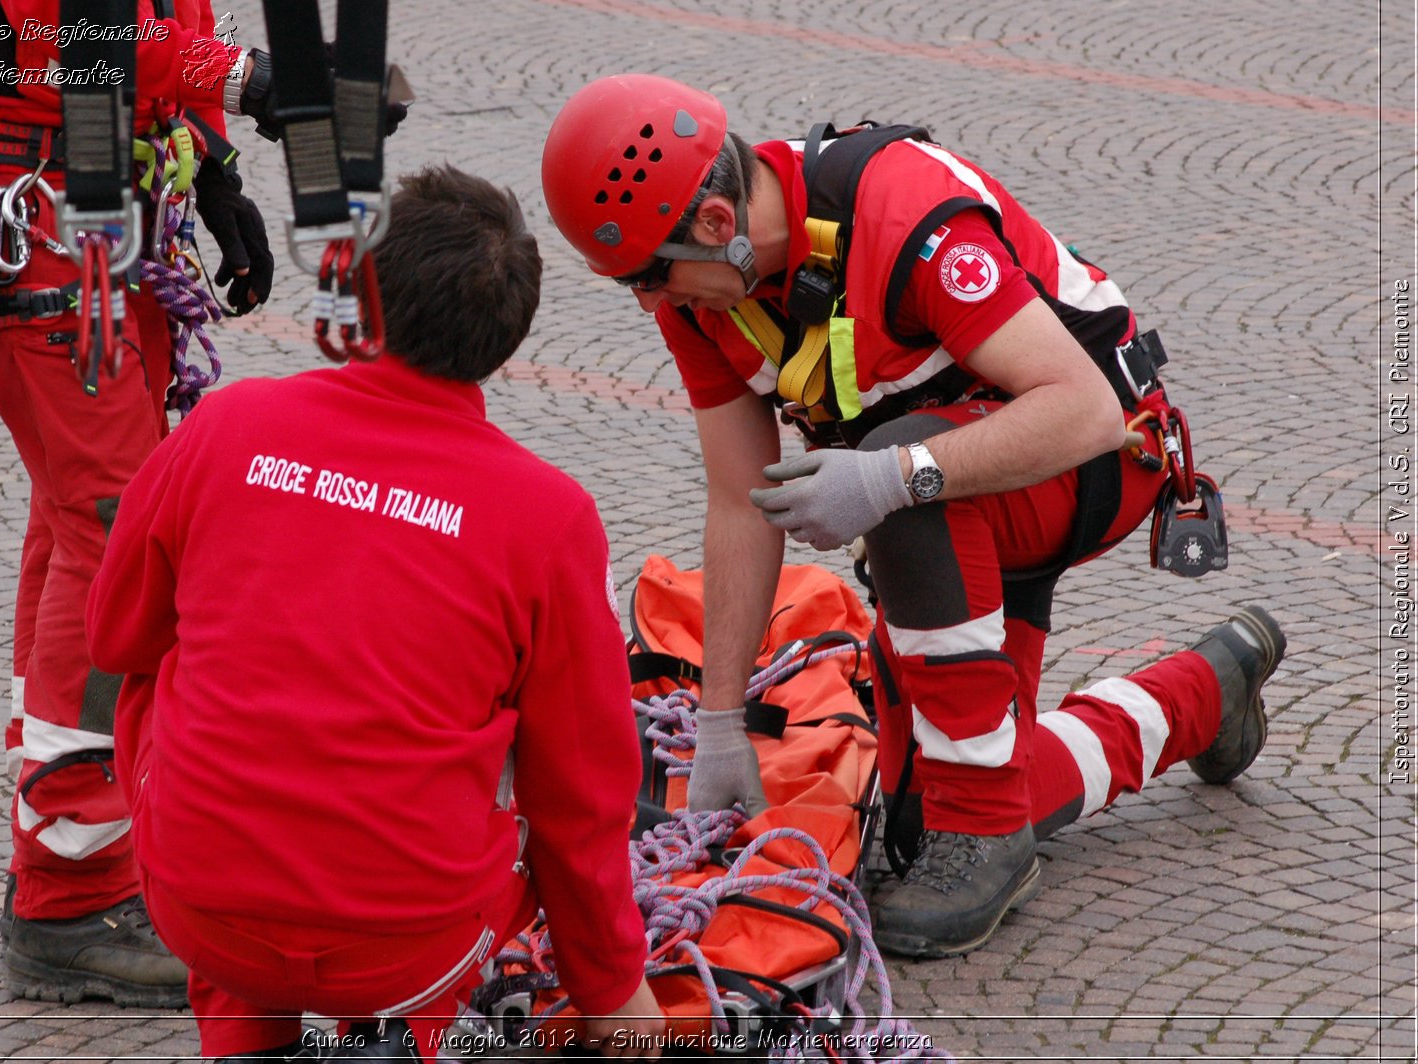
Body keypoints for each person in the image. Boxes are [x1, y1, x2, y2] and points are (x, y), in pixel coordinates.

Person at [540, 75, 1288, 960]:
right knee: (918, 822)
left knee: (897, 483)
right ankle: (1204, 695)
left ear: (712, 224)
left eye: (647, 277)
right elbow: (740, 502)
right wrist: (717, 724)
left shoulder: (903, 214)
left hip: (1091, 457)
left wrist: (893, 477)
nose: (647, 304)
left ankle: (983, 838)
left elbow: (1081, 410)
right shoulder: (711, 290)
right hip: (955, 490)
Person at [85, 165, 665, 1063]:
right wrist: (614, 990)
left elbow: (115, 636)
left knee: (157, 680)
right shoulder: (549, 516)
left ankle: (241, 1037)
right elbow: (580, 795)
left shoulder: (225, 426)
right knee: (529, 761)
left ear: (359, 291)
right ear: (504, 344)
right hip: (415, 943)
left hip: (201, 910)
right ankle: (405, 1040)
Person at [0, 0, 284, 1006]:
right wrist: (234, 76)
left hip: (100, 182)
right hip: (32, 191)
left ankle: (73, 847)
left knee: (84, 518)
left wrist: (210, 159)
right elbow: (65, 37)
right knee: (111, 529)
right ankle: (69, 890)